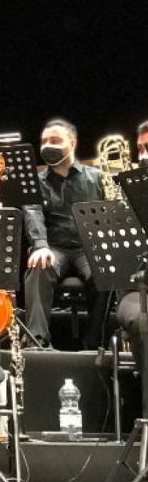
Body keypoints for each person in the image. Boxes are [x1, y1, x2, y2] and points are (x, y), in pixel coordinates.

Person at [22, 118, 107, 349]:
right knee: (38, 267)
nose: (48, 145)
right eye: (44, 141)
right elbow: (32, 213)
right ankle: (36, 342)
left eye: (55, 140)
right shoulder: (35, 181)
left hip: (87, 248)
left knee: (107, 272)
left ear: (72, 143)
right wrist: (40, 245)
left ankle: (94, 343)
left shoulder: (96, 177)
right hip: (53, 247)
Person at [110, 121, 148, 370]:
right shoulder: (131, 190)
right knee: (142, 321)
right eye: (141, 148)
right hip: (137, 289)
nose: (143, 155)